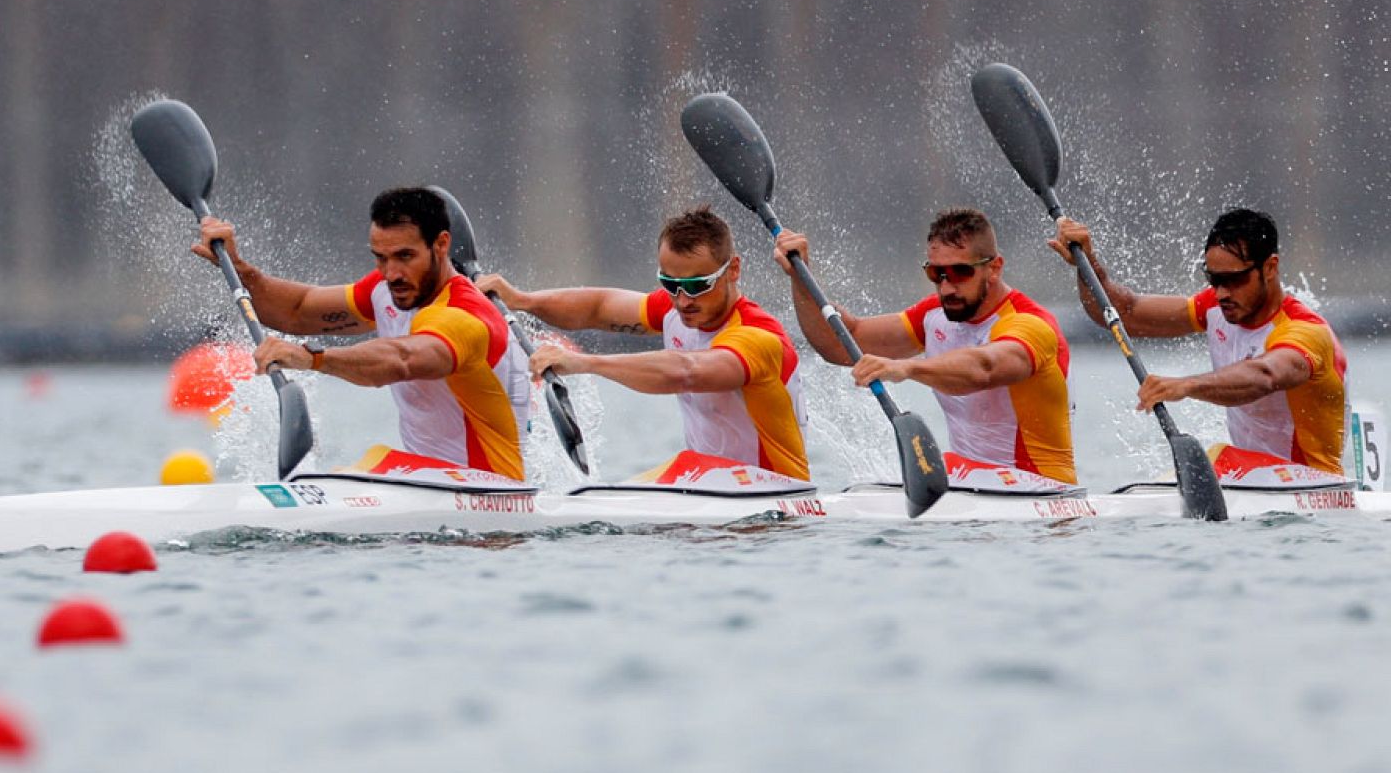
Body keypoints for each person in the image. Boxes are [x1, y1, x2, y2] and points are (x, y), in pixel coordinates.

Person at [192, 186, 530, 480]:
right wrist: (237, 267)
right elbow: (297, 310)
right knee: (348, 474)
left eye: (404, 256)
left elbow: (403, 359)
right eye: (380, 258)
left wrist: (311, 358)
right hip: (426, 479)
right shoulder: (389, 289)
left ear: (441, 245)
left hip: (484, 490)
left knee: (343, 479)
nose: (391, 273)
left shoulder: (465, 315)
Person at [478, 206, 810, 480]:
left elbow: (686, 372)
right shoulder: (676, 308)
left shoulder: (758, 336)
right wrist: (522, 300)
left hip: (768, 496)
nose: (682, 301)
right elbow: (599, 306)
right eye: (670, 283)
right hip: (713, 485)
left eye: (697, 285)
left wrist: (584, 363)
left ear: (733, 269)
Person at [774, 207, 1076, 484]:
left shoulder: (1031, 325)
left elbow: (984, 369)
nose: (946, 287)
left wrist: (905, 367)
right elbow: (841, 344)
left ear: (994, 268)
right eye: (936, 273)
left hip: (1041, 497)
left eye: (960, 273)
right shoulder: (934, 316)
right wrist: (800, 278)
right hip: (973, 490)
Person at [1051, 207, 1349, 475]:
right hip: (1253, 480)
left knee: (1212, 459)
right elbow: (1123, 312)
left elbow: (1265, 375)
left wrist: (1187, 385)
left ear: (1270, 268)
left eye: (1234, 280)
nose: (1221, 294)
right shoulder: (1216, 307)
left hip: (1309, 481)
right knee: (1208, 465)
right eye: (1214, 280)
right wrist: (1087, 263)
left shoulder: (1305, 332)